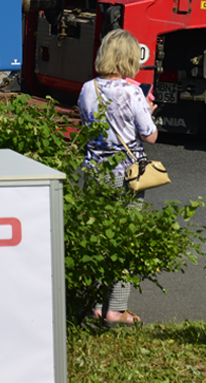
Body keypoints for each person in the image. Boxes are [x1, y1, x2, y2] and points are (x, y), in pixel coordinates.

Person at [77, 28, 159, 327]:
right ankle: (117, 309)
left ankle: (97, 305)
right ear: (128, 58)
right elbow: (149, 136)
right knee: (126, 240)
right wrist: (149, 111)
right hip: (127, 174)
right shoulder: (132, 92)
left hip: (94, 172)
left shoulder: (88, 88)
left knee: (99, 238)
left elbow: (88, 125)